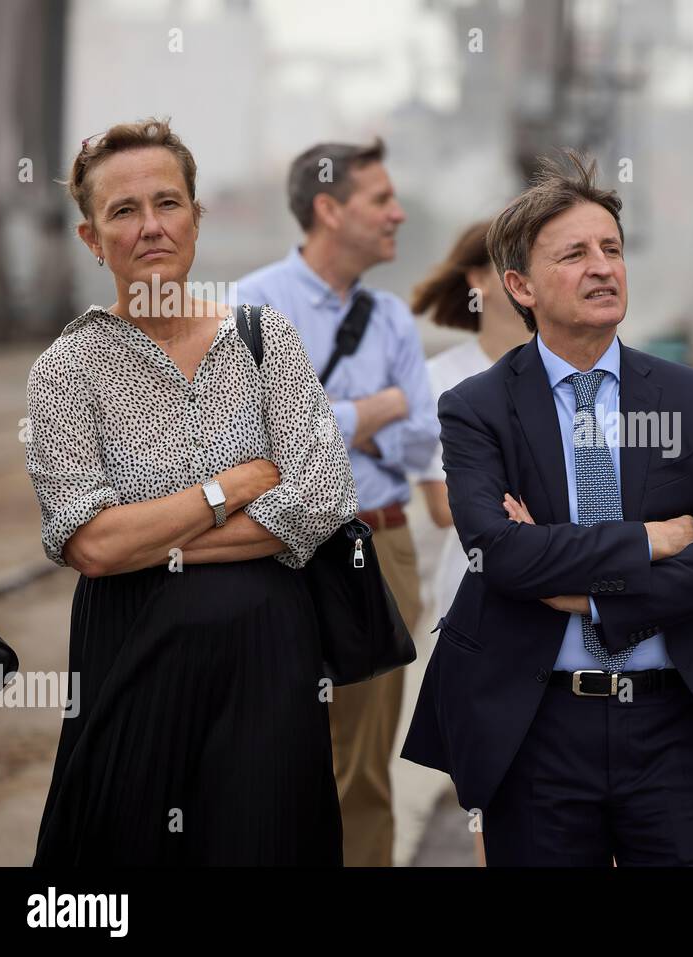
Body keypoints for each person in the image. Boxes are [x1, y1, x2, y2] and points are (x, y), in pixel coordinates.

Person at [401, 151, 693, 866]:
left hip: (675, 724)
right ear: (520, 286)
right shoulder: (477, 407)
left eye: (612, 249)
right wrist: (652, 539)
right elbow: (498, 554)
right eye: (573, 254)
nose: (602, 267)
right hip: (534, 725)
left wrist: (587, 596)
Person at [27, 118, 355, 865]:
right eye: (123, 210)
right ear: (89, 237)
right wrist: (230, 487)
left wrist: (148, 534)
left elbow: (322, 499)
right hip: (130, 662)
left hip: (269, 667)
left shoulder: (264, 339)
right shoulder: (64, 371)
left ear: (196, 218)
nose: (150, 227)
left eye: (168, 203)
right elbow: (93, 545)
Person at [235, 138, 438, 867]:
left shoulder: (391, 318)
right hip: (277, 552)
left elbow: (421, 442)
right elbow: (246, 438)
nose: (398, 213)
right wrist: (370, 411)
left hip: (382, 548)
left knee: (364, 770)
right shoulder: (251, 303)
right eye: (381, 199)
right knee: (274, 756)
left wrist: (326, 420)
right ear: (328, 207)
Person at [410, 219, 531, 866]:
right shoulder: (440, 381)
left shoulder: (580, 371)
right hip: (475, 613)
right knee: (495, 811)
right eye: (506, 265)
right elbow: (444, 505)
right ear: (478, 281)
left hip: (574, 608)